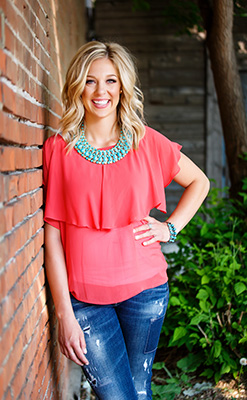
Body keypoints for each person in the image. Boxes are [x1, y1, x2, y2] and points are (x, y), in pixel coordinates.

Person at [43, 41, 210, 400]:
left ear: (123, 87)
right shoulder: (59, 149)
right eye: (90, 81)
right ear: (77, 87)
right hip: (84, 301)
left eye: (111, 81)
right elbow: (53, 235)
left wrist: (170, 228)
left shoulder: (146, 142)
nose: (100, 91)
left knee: (138, 390)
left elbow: (200, 181)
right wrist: (63, 314)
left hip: (146, 292)